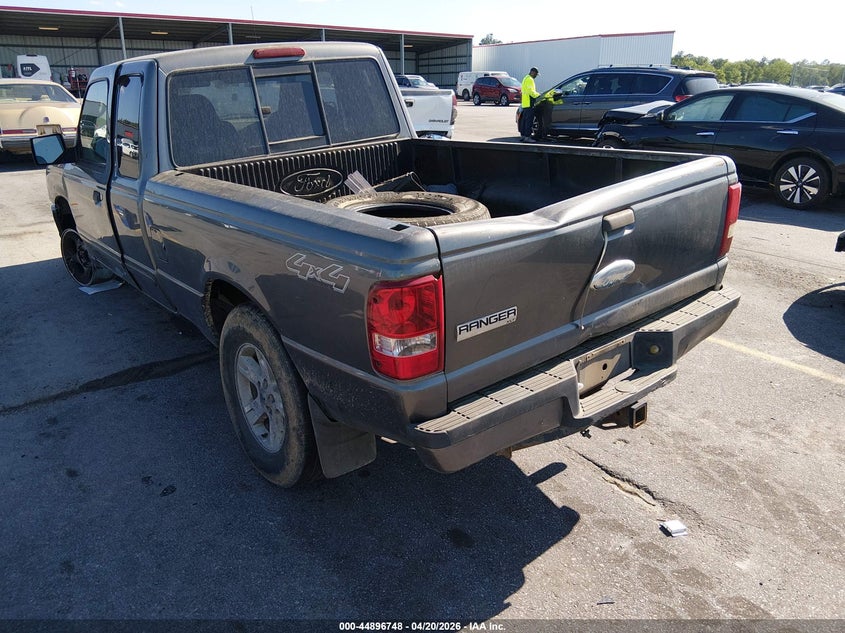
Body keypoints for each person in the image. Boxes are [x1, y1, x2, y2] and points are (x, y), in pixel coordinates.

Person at [519, 67, 540, 142]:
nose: (536, 76)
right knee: (529, 121)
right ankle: (527, 137)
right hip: (529, 102)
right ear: (532, 72)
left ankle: (523, 136)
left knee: (524, 121)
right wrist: (538, 95)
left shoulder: (525, 78)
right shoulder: (530, 79)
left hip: (525, 103)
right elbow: (531, 91)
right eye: (536, 74)